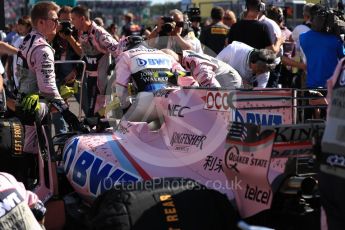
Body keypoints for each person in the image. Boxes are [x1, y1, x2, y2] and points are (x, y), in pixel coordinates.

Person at [15, 2, 83, 156]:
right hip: (34, 108)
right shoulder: (42, 49)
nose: (58, 24)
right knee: (38, 153)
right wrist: (67, 113)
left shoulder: (27, 39)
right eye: (54, 20)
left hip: (24, 101)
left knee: (28, 150)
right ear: (41, 22)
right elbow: (48, 88)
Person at [114, 35, 185, 120]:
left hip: (146, 101)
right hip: (172, 102)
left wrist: (125, 108)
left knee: (122, 127)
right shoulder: (164, 54)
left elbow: (120, 88)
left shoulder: (126, 55)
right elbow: (184, 75)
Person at [71, 5, 118, 117]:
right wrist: (76, 70)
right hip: (90, 78)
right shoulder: (81, 32)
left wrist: (113, 67)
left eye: (73, 19)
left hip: (102, 80)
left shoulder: (100, 34)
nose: (72, 23)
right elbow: (84, 54)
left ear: (82, 18)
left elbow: (119, 51)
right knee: (93, 113)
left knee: (100, 114)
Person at [51, 5, 82, 134]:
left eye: (68, 21)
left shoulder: (78, 32)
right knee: (57, 108)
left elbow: (82, 53)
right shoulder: (52, 33)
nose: (65, 24)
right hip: (57, 76)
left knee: (86, 105)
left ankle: (85, 130)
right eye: (62, 21)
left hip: (76, 75)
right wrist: (55, 32)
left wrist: (69, 37)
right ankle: (62, 135)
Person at [300, 4, 345, 89]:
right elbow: (343, 58)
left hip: (312, 86)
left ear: (311, 18)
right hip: (333, 86)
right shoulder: (335, 40)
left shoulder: (303, 37)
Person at [162, 49, 242, 88]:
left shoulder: (195, 64)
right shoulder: (183, 58)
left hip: (229, 80)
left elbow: (214, 88)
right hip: (224, 75)